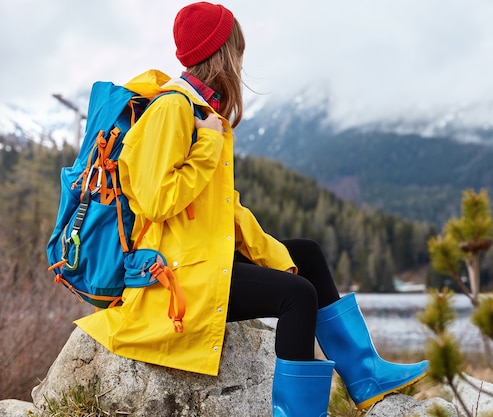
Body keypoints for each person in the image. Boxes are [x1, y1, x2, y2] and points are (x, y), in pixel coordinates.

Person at [75, 2, 428, 416]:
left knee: (306, 254)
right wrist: (206, 146)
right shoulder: (173, 109)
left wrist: (274, 256)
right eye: (238, 49)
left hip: (202, 256)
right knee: (298, 297)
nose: (242, 60)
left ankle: (365, 374)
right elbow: (157, 200)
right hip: (176, 275)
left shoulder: (204, 111)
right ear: (223, 53)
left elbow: (228, 211)